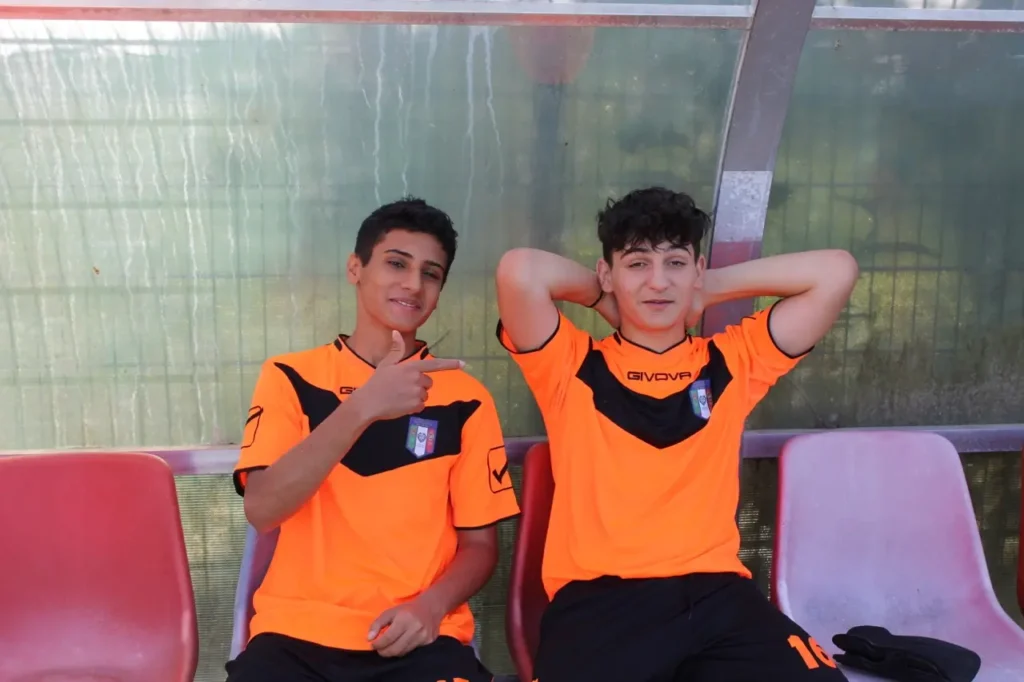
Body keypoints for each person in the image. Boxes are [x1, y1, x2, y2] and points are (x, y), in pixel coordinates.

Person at [494, 186, 859, 682]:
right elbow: (519, 271)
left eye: (676, 263)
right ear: (607, 272)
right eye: (637, 263)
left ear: (697, 268)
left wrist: (708, 288)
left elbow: (836, 271)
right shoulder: (569, 365)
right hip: (600, 603)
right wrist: (603, 298)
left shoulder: (735, 360)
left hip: (717, 597)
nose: (658, 281)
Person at [228, 197, 520, 682]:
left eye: (431, 274)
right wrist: (364, 405)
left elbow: (480, 546)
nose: (413, 284)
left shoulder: (466, 399)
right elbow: (263, 508)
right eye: (396, 264)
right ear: (355, 269)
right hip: (296, 637)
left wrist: (430, 608)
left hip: (417, 638)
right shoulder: (290, 376)